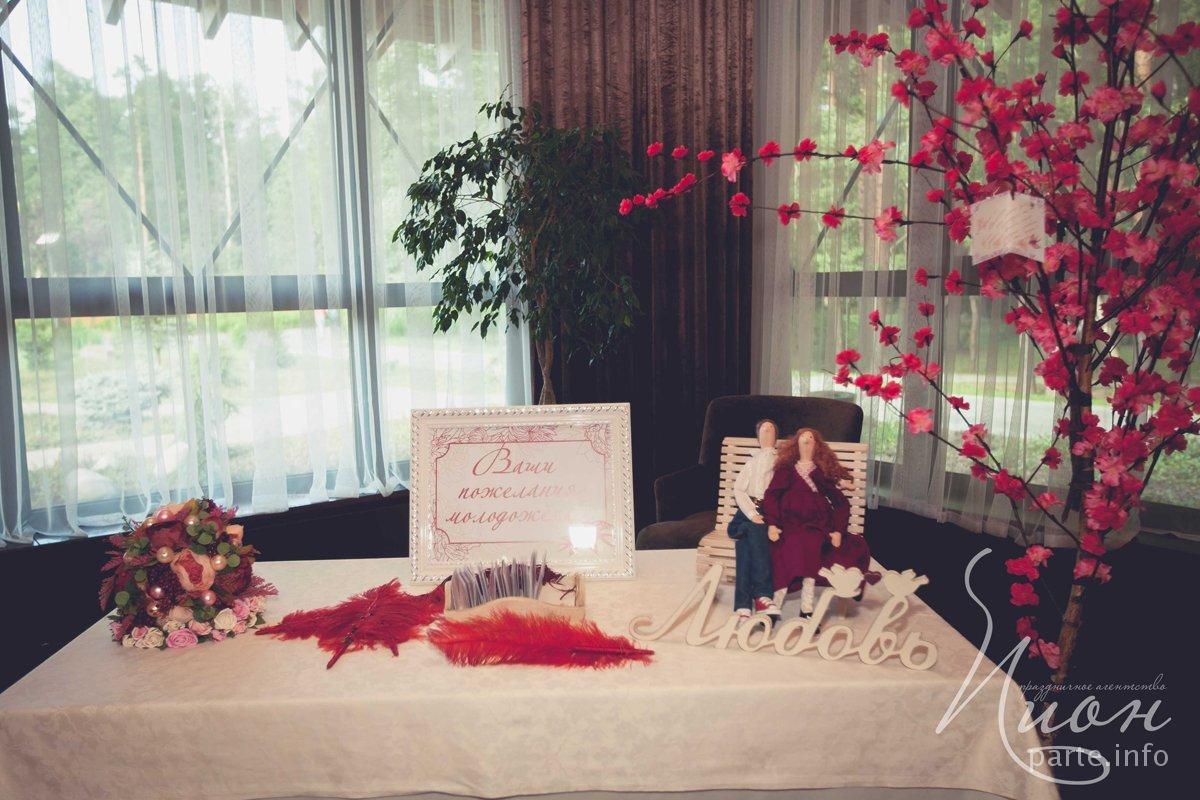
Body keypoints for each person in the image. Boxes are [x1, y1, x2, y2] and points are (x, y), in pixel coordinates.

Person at [762, 427, 871, 617]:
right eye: (803, 437)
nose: (806, 440)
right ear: (795, 443)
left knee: (811, 548)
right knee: (784, 550)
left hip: (816, 526)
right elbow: (772, 496)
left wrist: (838, 531)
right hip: (789, 524)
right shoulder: (786, 470)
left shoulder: (821, 473)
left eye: (811, 438)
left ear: (817, 446)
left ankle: (806, 608)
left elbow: (840, 503)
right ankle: (774, 605)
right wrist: (772, 524)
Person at [727, 419, 782, 618]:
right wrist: (751, 513)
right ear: (757, 438)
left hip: (768, 511)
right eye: (763, 430)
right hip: (746, 511)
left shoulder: (781, 462)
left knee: (745, 543)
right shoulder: (751, 462)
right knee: (755, 530)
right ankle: (763, 596)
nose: (767, 431)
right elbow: (739, 490)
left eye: (771, 429)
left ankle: (743, 605)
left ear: (776, 438)